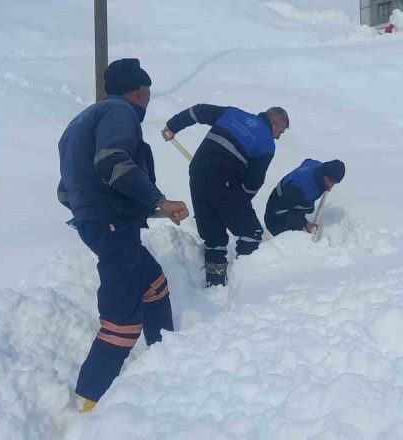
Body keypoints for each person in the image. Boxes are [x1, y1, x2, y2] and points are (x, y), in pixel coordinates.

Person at [57, 58, 188, 413]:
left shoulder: (79, 122)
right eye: (148, 90)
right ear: (141, 89)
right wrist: (158, 199)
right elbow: (113, 162)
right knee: (122, 321)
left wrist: (147, 210)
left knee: (154, 285)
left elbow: (66, 192)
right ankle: (89, 402)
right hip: (111, 227)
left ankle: (165, 355)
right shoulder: (120, 113)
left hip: (102, 224)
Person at [162, 105, 289, 286]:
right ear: (275, 124)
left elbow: (198, 111)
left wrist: (173, 125)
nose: (278, 137)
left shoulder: (233, 113)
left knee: (213, 236)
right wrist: (237, 206)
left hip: (198, 173)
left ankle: (215, 283)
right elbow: (254, 181)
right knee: (251, 233)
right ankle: (246, 283)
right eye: (280, 132)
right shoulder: (267, 144)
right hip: (224, 182)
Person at [264, 159, 345, 236]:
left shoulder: (318, 166)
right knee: (296, 239)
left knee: (307, 207)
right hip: (274, 214)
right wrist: (305, 224)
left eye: (334, 183)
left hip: (291, 202)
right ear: (324, 174)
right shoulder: (300, 187)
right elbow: (280, 210)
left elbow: (307, 161)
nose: (330, 187)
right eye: (331, 181)